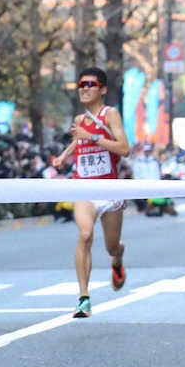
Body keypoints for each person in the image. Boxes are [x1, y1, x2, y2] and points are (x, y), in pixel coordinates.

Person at [50, 67, 131, 318]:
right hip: (83, 186)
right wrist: (64, 155)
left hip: (109, 189)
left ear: (103, 89)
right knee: (85, 234)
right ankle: (83, 297)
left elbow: (124, 148)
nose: (84, 88)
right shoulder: (79, 120)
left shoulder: (111, 114)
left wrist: (93, 137)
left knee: (110, 246)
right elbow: (79, 139)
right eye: (81, 85)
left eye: (90, 84)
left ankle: (117, 258)